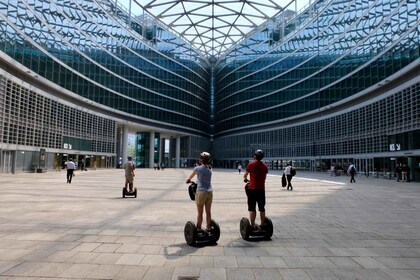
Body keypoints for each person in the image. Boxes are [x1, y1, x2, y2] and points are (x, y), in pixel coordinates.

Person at [186, 152, 213, 232]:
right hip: (210, 192)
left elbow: (189, 178)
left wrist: (189, 180)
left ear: (202, 159)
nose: (199, 159)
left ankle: (199, 229)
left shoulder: (198, 168)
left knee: (200, 213)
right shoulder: (210, 168)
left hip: (201, 192)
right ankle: (208, 228)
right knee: (208, 212)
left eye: (200, 158)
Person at [243, 149, 268, 230]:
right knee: (262, 208)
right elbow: (264, 178)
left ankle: (252, 225)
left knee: (252, 208)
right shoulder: (265, 166)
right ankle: (262, 224)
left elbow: (245, 176)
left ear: (254, 156)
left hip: (252, 189)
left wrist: (246, 179)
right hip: (261, 189)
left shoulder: (251, 164)